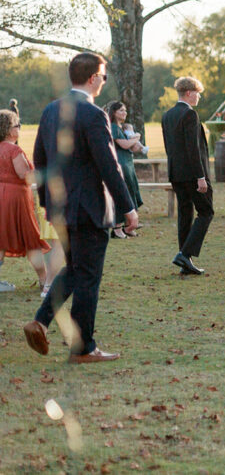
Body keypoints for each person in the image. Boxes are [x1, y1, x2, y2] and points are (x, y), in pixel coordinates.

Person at [24, 52, 138, 363]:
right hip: (89, 209)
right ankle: (83, 348)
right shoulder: (92, 114)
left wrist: (48, 205)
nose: (103, 80)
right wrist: (128, 208)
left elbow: (41, 163)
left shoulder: (50, 111)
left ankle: (40, 321)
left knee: (74, 269)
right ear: (91, 78)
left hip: (61, 209)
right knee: (88, 278)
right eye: (102, 75)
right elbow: (108, 166)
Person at [162, 76, 213, 275]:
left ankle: (186, 260)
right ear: (190, 93)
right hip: (193, 174)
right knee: (206, 211)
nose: (199, 97)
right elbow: (193, 148)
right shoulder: (189, 115)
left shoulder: (167, 115)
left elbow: (169, 148)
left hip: (176, 173)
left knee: (185, 214)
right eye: (198, 93)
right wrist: (200, 176)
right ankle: (185, 254)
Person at [0, 109, 50, 290]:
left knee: (1, 237)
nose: (19, 128)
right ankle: (45, 279)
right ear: (8, 130)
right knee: (31, 238)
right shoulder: (14, 150)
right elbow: (25, 175)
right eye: (16, 125)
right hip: (16, 198)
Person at [106, 101, 144, 238]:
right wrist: (137, 137)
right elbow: (125, 145)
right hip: (121, 165)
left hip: (128, 164)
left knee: (130, 192)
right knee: (122, 194)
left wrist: (133, 135)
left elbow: (134, 147)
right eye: (121, 110)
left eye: (125, 110)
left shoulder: (123, 128)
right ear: (114, 113)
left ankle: (128, 226)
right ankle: (117, 228)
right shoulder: (114, 128)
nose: (125, 113)